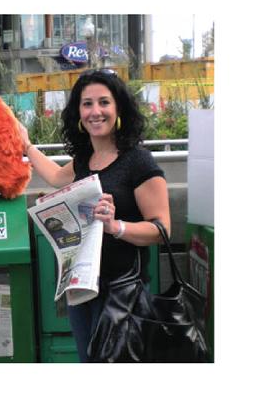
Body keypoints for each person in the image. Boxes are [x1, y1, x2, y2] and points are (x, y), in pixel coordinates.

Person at [17, 68, 170, 362]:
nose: (95, 111)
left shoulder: (138, 161)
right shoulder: (86, 159)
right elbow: (54, 177)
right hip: (83, 288)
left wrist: (116, 227)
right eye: (87, 104)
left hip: (122, 292)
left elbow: (162, 229)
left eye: (104, 102)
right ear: (78, 112)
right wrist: (25, 144)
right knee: (88, 360)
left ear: (118, 109)